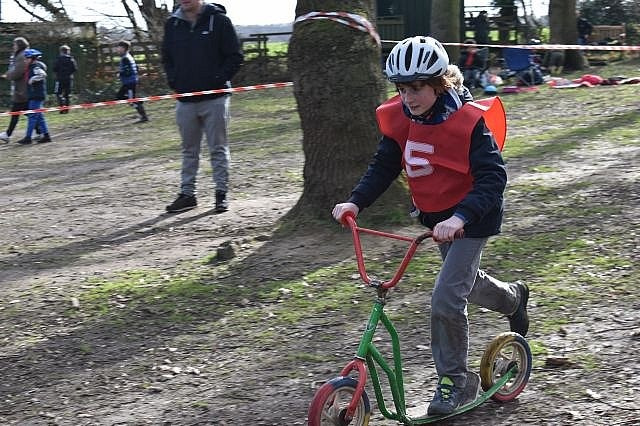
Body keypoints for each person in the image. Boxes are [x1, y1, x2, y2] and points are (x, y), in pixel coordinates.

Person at [331, 36, 529, 416]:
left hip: (473, 216)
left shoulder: (469, 122)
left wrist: (461, 217)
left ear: (439, 84)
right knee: (465, 283)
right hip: (439, 217)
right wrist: (356, 201)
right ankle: (513, 298)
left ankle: (456, 381)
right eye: (402, 89)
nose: (408, 97)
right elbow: (384, 165)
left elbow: (493, 178)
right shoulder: (400, 117)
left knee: (446, 297)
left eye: (417, 88)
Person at [161, 0, 243, 213]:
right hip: (185, 100)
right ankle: (187, 194)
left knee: (218, 148)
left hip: (215, 98)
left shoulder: (220, 21)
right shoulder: (172, 25)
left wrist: (218, 78)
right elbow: (167, 57)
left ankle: (221, 194)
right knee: (189, 150)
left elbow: (235, 56)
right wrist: (174, 80)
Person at [0, 37, 42, 143]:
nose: (13, 47)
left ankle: (8, 134)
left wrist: (8, 75)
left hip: (23, 88)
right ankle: (39, 130)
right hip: (21, 88)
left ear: (19, 45)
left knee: (19, 111)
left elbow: (18, 71)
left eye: (15, 45)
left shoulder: (22, 55)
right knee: (25, 111)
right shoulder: (19, 55)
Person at [16, 49, 52, 145]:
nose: (25, 60)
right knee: (39, 117)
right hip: (35, 95)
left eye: (27, 58)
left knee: (32, 116)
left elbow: (43, 74)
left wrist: (33, 79)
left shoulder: (35, 66)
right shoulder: (31, 67)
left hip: (36, 95)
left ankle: (28, 137)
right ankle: (46, 136)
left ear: (32, 58)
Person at [115, 40, 148, 123]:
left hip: (130, 82)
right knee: (119, 96)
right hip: (128, 82)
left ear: (123, 48)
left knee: (131, 101)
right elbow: (135, 67)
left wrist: (120, 74)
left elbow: (128, 71)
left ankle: (144, 117)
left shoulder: (125, 58)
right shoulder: (127, 56)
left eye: (118, 48)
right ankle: (138, 101)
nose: (117, 49)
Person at [53, 44, 78, 114]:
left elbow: (54, 68)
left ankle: (61, 107)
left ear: (61, 51)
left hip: (59, 79)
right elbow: (75, 69)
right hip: (69, 79)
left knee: (58, 93)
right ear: (68, 51)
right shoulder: (71, 59)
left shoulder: (58, 59)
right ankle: (67, 109)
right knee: (67, 94)